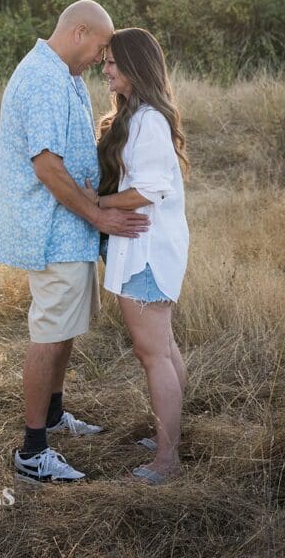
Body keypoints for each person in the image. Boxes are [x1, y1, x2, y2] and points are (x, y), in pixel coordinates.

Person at [0, 0, 150, 484]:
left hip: (68, 231)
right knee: (49, 334)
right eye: (100, 48)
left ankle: (54, 415)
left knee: (65, 330)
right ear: (79, 32)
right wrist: (99, 215)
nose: (102, 60)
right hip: (50, 231)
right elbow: (47, 167)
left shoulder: (66, 75)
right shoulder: (42, 78)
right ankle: (32, 451)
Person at [89, 28, 189, 485]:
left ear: (134, 66)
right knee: (162, 349)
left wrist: (97, 203)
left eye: (112, 62)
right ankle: (170, 437)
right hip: (144, 248)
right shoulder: (138, 116)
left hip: (147, 253)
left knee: (154, 355)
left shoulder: (149, 120)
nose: (105, 69)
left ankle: (167, 461)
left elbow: (149, 189)